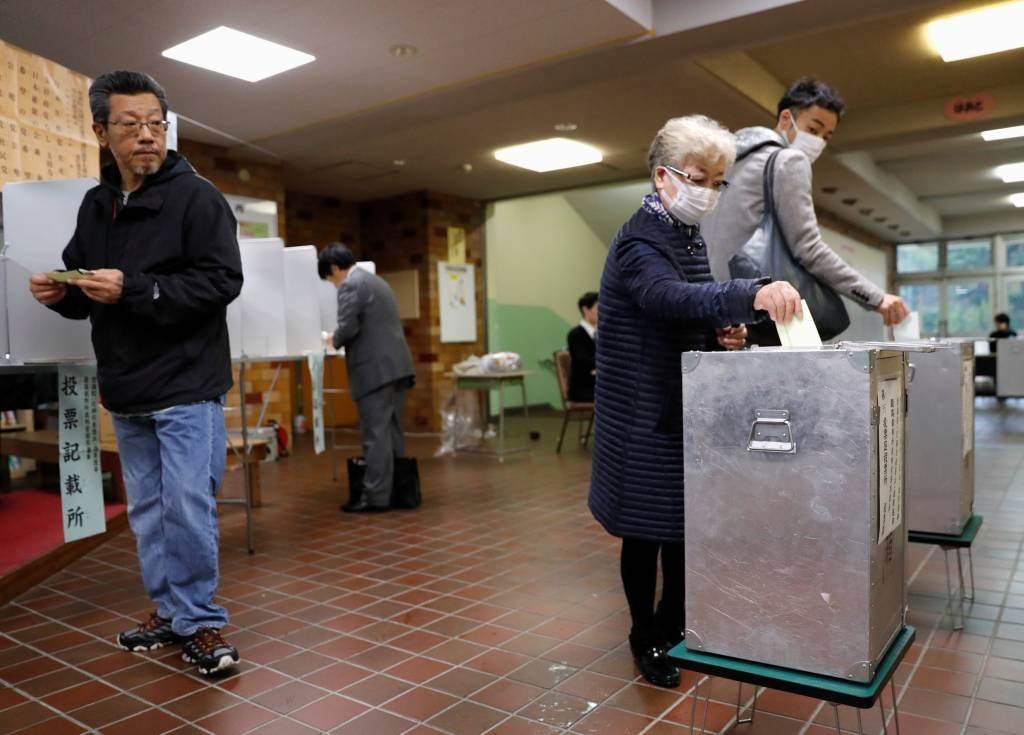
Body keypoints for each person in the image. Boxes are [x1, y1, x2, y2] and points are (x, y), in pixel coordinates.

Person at [28, 71, 243, 675]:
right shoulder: (97, 205)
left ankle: (200, 620)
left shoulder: (197, 197)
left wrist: (137, 288)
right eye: (130, 125)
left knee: (186, 506)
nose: (147, 136)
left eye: (156, 123)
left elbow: (222, 282)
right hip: (125, 385)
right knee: (148, 511)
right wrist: (61, 293)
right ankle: (172, 613)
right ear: (101, 132)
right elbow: (85, 281)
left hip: (186, 385)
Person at [588, 115, 802, 688]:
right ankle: (643, 635)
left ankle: (675, 624)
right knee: (644, 530)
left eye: (717, 181)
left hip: (678, 409)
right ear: (663, 177)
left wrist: (723, 331)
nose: (708, 190)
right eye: (699, 178)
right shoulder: (639, 239)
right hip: (640, 413)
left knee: (684, 526)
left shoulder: (685, 235)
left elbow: (693, 309)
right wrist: (750, 293)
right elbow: (664, 296)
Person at [702, 77, 908, 344]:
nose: (819, 141)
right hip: (758, 305)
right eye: (814, 128)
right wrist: (876, 297)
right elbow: (808, 248)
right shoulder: (790, 160)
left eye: (826, 136)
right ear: (786, 119)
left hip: (712, 306)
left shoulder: (725, 161)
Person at [318, 245, 415, 512]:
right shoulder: (377, 281)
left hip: (374, 371)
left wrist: (331, 340)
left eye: (330, 278)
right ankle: (398, 491)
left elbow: (348, 328)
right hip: (397, 367)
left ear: (335, 269)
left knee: (375, 434)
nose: (333, 285)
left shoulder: (351, 285)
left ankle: (375, 497)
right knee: (393, 431)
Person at [567, 292, 598, 403]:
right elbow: (583, 362)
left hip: (599, 384)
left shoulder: (602, 334)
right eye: (598, 308)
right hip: (583, 388)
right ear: (586, 310)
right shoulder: (575, 334)